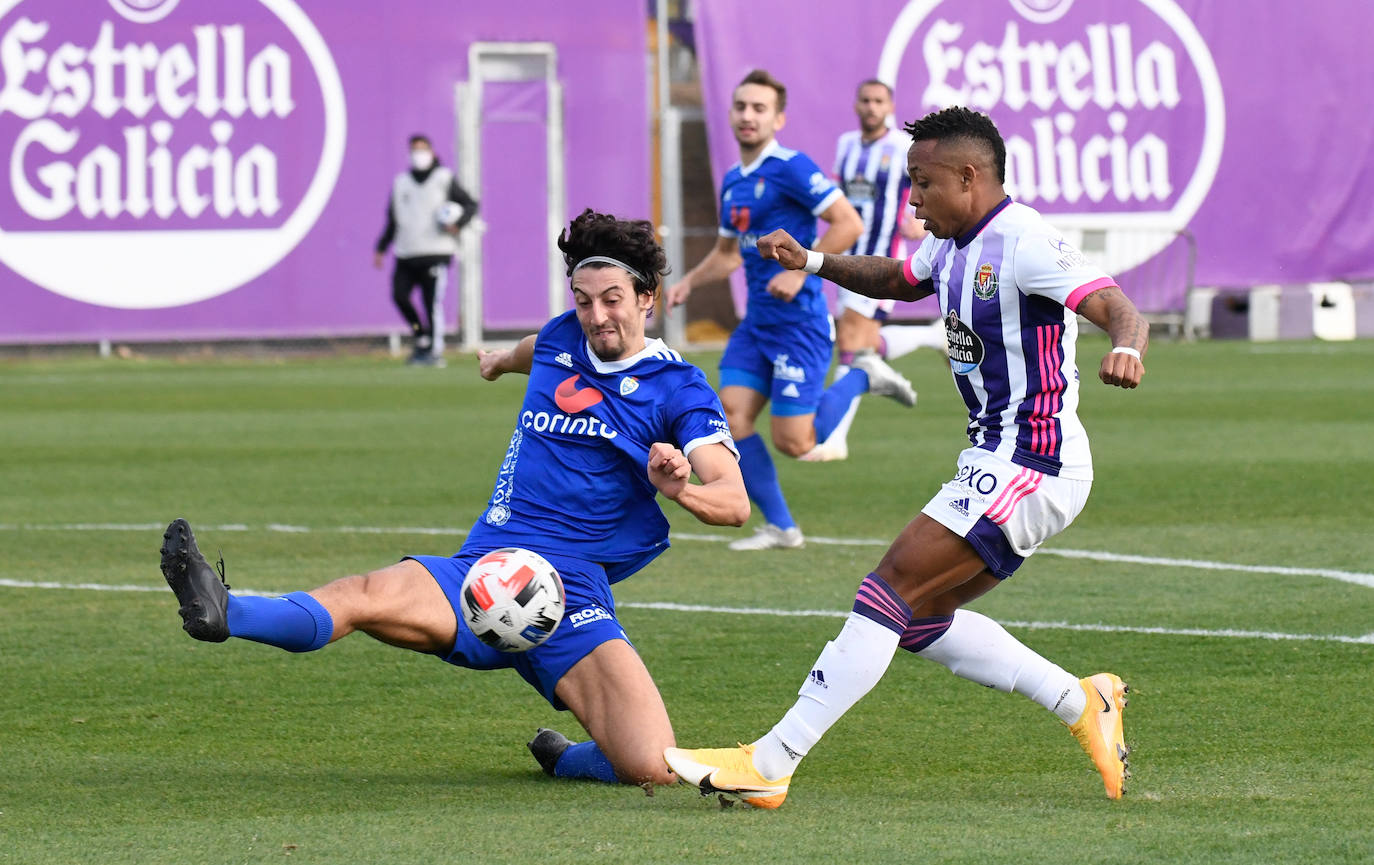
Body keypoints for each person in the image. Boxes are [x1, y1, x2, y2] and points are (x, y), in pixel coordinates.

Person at [664, 107, 1149, 808]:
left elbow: (1114, 304)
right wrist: (818, 261)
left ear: (968, 176)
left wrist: (1127, 345)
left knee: (886, 588)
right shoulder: (951, 242)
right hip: (995, 455)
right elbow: (898, 278)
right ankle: (1082, 702)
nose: (912, 199)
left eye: (922, 184)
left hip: (1033, 460)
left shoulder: (1025, 240)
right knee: (916, 617)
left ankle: (771, 761)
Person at [164, 209, 749, 788]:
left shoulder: (679, 389)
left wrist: (683, 492)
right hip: (485, 569)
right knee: (364, 595)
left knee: (652, 768)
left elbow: (735, 502)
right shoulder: (559, 337)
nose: (595, 316)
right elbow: (534, 349)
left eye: (612, 299)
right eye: (583, 299)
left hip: (573, 592)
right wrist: (498, 363)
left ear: (647, 297)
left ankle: (567, 757)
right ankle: (227, 610)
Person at [666, 68, 888, 551]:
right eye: (741, 106)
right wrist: (686, 281)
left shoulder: (790, 166)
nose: (748, 116)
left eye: (759, 108)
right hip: (757, 325)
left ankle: (864, 375)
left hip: (800, 325)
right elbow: (728, 254)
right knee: (731, 418)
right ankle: (784, 528)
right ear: (731, 113)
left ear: (778, 118)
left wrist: (800, 268)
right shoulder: (733, 180)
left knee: (797, 443)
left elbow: (847, 222)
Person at [804, 79, 949, 463]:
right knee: (859, 344)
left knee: (852, 343)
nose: (871, 106)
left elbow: (929, 186)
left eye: (878, 101)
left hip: (882, 258)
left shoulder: (902, 149)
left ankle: (835, 438)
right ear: (856, 105)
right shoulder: (847, 145)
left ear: (890, 106)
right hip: (847, 257)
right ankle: (932, 337)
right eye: (865, 100)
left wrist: (921, 222)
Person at [374, 133, 480, 367]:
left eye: (423, 149)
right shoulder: (401, 182)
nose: (418, 155)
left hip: (435, 251)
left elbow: (470, 204)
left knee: (431, 302)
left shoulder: (443, 178)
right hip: (406, 251)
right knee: (400, 296)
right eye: (414, 150)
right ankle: (420, 334)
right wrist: (382, 247)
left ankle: (434, 349)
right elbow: (393, 219)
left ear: (432, 152)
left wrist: (458, 223)